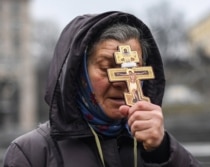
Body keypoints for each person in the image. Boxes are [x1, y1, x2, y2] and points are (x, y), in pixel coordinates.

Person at [3, 11, 200, 167]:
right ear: (78, 73)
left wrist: (162, 151)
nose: (124, 82)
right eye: (107, 68)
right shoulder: (31, 153)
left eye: (134, 68)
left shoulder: (156, 145)